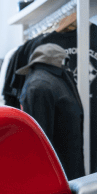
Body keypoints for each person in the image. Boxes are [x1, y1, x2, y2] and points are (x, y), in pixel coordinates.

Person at [15, 42, 85, 178]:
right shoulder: (40, 86)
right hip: (57, 175)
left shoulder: (53, 81)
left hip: (64, 171)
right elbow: (40, 141)